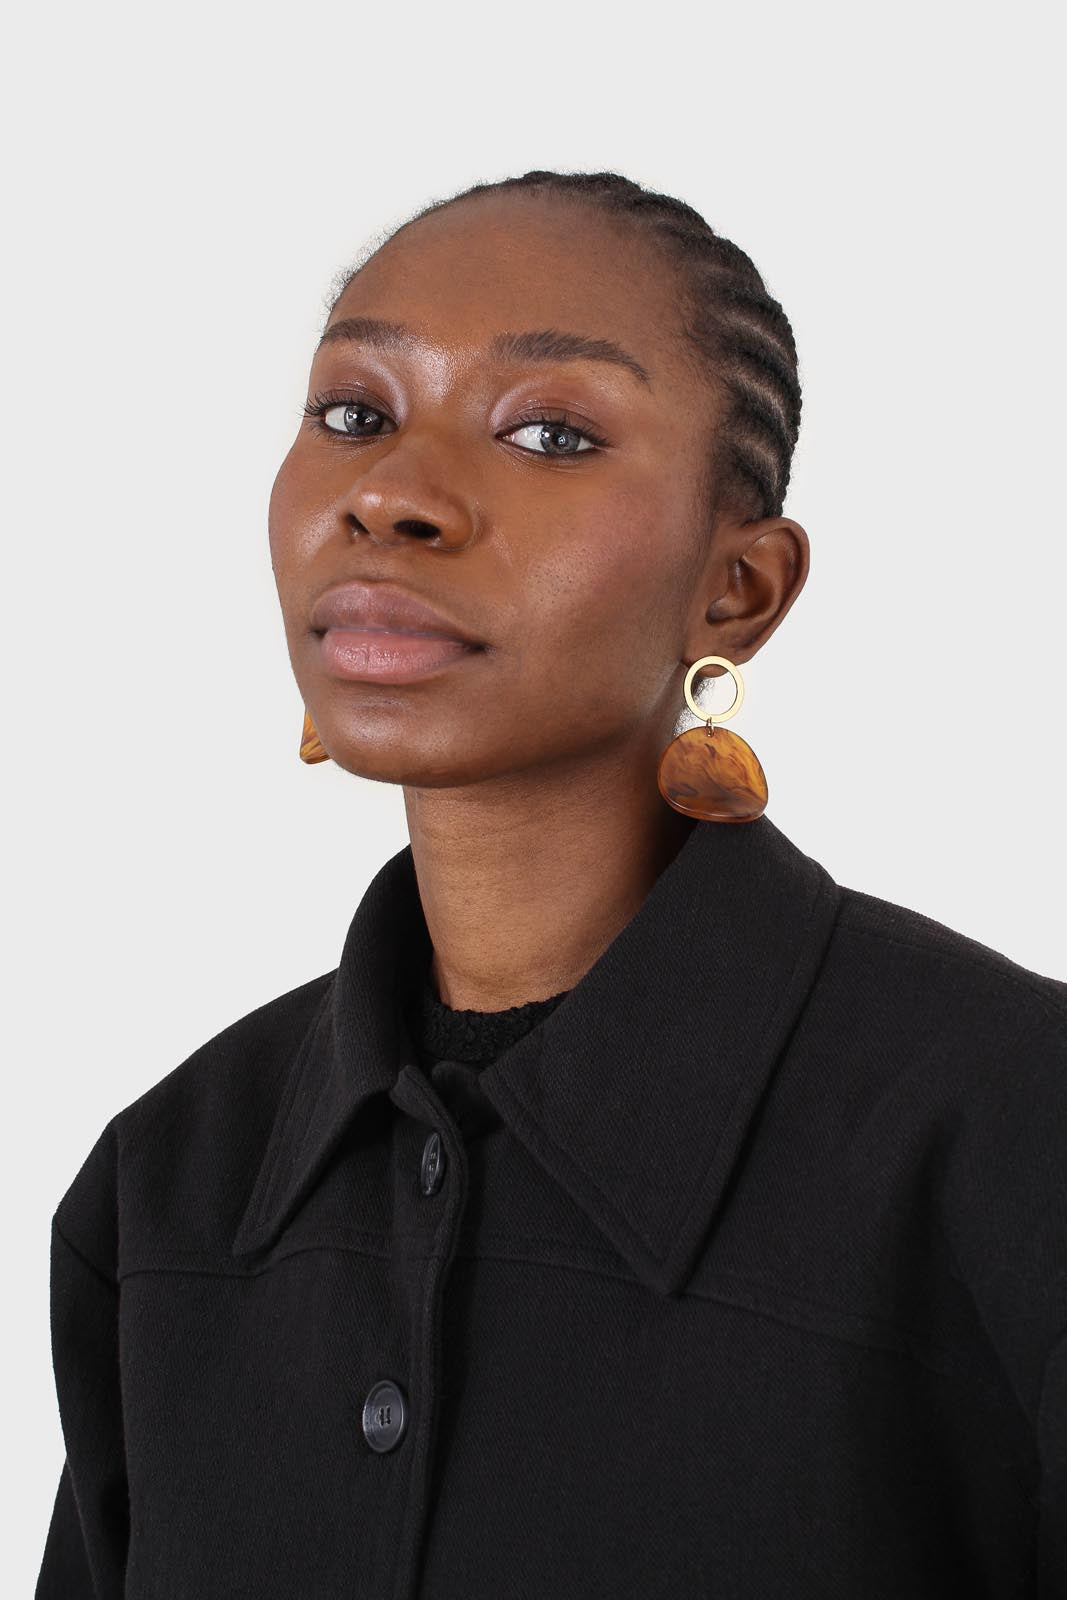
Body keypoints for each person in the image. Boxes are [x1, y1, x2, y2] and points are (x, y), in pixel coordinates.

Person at [36, 169, 1066, 1598]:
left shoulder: (1018, 1137)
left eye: (551, 433)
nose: (391, 495)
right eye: (354, 415)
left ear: (739, 590)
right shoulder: (169, 1188)